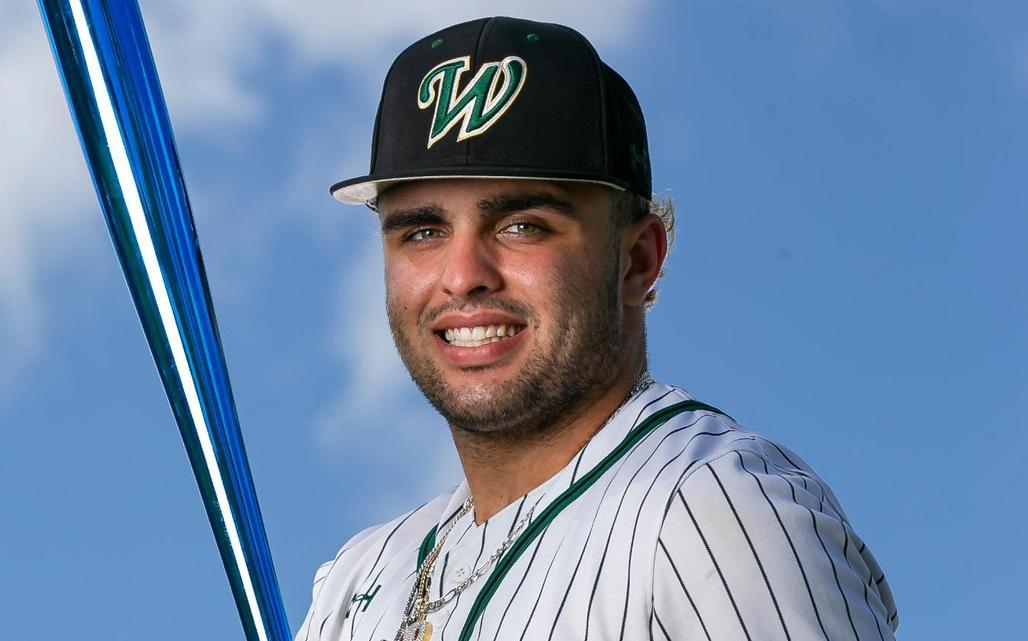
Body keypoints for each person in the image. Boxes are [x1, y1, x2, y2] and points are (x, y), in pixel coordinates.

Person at [298, 16, 898, 641]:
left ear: (638, 259)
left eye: (522, 225)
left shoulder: (711, 511)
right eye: (423, 231)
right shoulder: (357, 578)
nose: (462, 276)